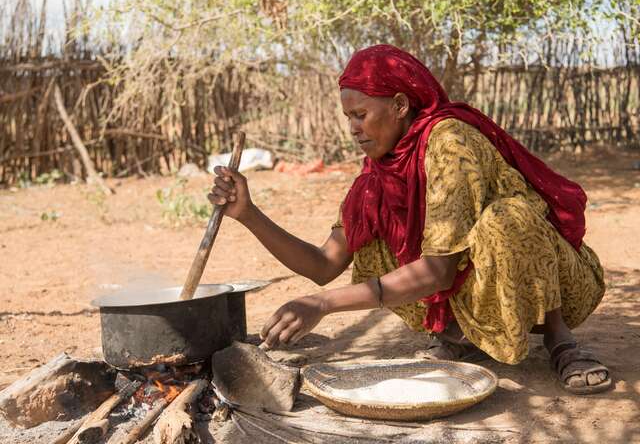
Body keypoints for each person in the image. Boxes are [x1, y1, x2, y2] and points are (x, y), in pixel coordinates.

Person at [208, 44, 611, 395]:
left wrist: (323, 305)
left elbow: (437, 270)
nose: (353, 129)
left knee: (506, 220)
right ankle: (458, 331)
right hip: (479, 284)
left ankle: (559, 339)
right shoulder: (378, 174)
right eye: (348, 117)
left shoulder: (450, 141)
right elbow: (324, 264)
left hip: (551, 283)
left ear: (400, 105)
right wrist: (248, 214)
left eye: (361, 114)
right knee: (377, 224)